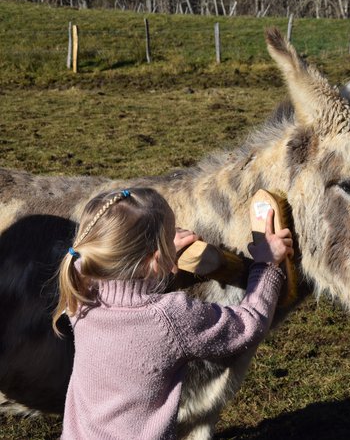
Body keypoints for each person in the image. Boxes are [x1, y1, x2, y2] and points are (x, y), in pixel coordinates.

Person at [51, 187, 293, 440]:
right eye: (169, 236)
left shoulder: (79, 288)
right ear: (157, 259)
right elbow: (248, 325)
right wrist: (267, 264)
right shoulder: (169, 317)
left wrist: (161, 250)